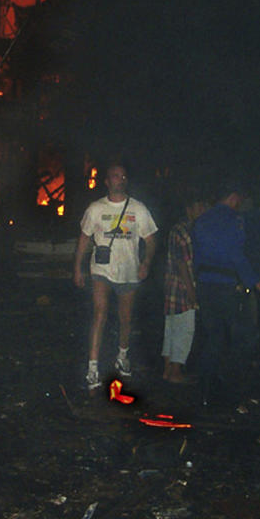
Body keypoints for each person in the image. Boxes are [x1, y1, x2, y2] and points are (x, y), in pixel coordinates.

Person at [74, 163, 158, 391]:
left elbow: (151, 239)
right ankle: (92, 367)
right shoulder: (96, 209)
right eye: (114, 176)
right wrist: (78, 267)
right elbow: (84, 238)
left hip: (129, 270)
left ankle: (122, 355)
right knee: (100, 313)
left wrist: (146, 261)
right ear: (107, 181)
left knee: (125, 318)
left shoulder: (138, 209)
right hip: (101, 270)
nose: (119, 179)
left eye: (123, 176)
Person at [192, 183, 260, 406]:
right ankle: (235, 389)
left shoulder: (201, 220)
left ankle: (206, 388)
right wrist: (258, 284)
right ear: (234, 197)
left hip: (205, 285)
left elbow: (197, 257)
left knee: (212, 336)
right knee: (239, 337)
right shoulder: (234, 221)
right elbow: (237, 256)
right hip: (226, 286)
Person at [162, 189, 207, 383]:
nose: (203, 210)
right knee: (185, 330)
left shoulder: (180, 229)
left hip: (172, 286)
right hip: (181, 287)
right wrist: (192, 292)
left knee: (171, 329)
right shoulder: (184, 231)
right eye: (200, 206)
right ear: (190, 209)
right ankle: (176, 372)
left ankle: (167, 370)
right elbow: (183, 264)